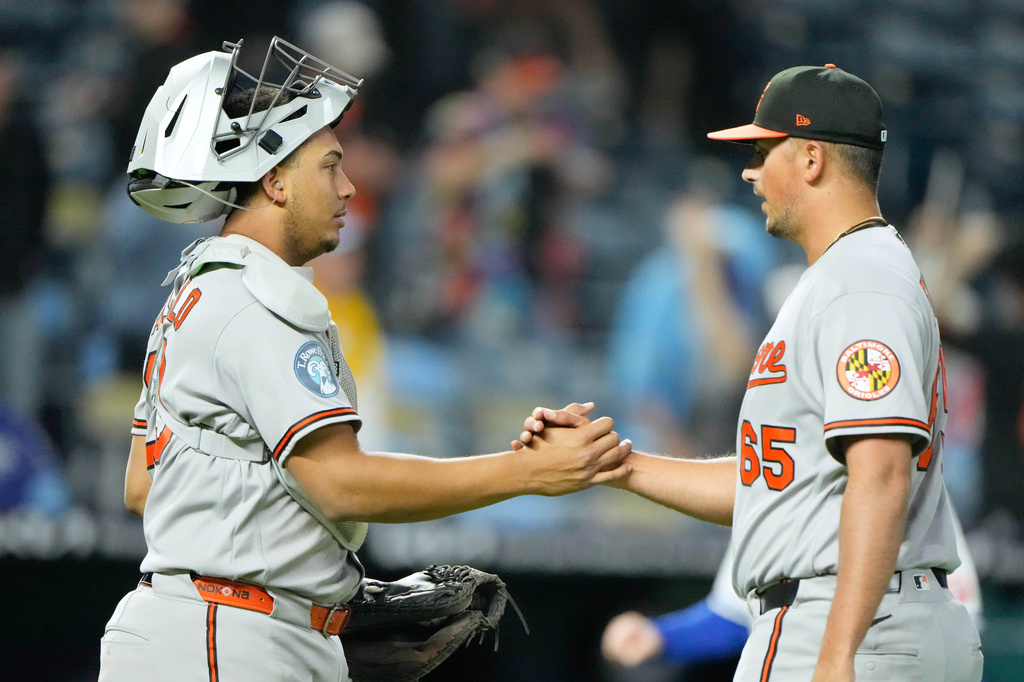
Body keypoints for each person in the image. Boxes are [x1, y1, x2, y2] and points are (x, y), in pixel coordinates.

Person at [98, 37, 630, 682]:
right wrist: (527, 473)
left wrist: (311, 589)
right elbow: (340, 482)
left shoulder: (200, 288)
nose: (349, 187)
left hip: (216, 625)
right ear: (273, 180)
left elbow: (144, 488)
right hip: (227, 635)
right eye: (329, 165)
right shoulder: (257, 299)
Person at [520, 64, 983, 681]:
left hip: (849, 624)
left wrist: (836, 655)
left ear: (812, 158)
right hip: (849, 620)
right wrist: (613, 463)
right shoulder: (838, 278)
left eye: (765, 151)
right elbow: (777, 485)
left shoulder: (860, 282)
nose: (750, 171)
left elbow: (882, 472)